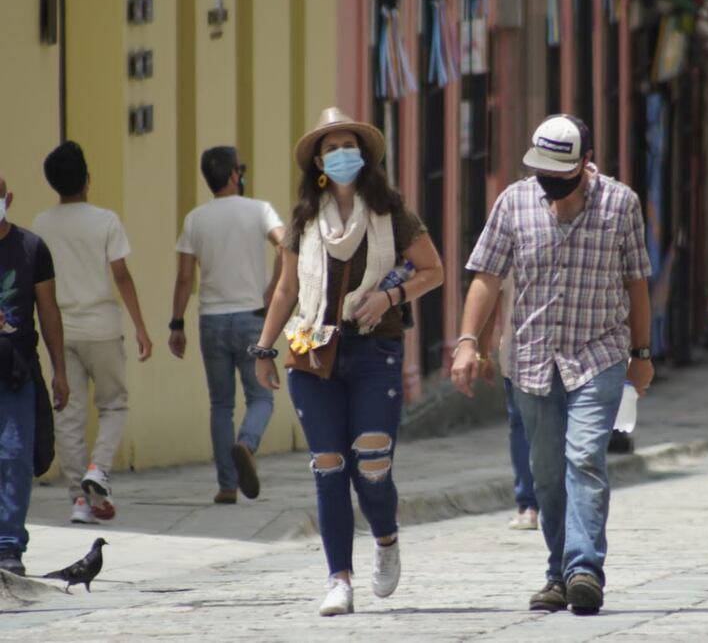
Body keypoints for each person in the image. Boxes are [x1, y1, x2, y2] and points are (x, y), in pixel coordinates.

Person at [451, 114, 654, 616]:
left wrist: (642, 355)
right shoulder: (514, 202)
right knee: (544, 474)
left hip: (599, 354)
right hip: (532, 359)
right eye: (542, 171)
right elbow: (486, 276)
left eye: (560, 174)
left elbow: (636, 282)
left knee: (584, 458)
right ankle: (559, 572)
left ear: (586, 163)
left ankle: (584, 570)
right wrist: (468, 342)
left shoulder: (621, 204)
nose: (550, 182)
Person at [251, 108, 443, 616]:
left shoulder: (391, 211)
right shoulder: (303, 219)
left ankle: (385, 537)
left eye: (348, 145)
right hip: (313, 353)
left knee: (373, 463)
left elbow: (433, 270)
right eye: (330, 148)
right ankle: (339, 579)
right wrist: (264, 349)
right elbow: (287, 290)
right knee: (329, 466)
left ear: (364, 154)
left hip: (375, 349)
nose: (340, 155)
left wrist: (391, 296)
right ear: (318, 162)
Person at [32, 142, 152, 524]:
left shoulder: (40, 224)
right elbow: (122, 277)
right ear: (87, 178)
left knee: (69, 413)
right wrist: (140, 327)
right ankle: (98, 470)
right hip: (102, 329)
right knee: (114, 404)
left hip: (60, 331)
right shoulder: (105, 221)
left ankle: (80, 501)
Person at [169, 146, 285, 504]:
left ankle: (226, 486)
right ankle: (247, 444)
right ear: (235, 174)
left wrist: (176, 324)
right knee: (261, 396)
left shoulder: (195, 219)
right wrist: (273, 290)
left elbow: (185, 278)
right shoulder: (259, 209)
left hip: (212, 321)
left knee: (221, 405)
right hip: (252, 317)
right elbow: (285, 245)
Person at [0, 173, 69, 576]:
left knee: (14, 454)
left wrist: (60, 370)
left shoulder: (31, 248)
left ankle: (9, 543)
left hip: (17, 368)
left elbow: (48, 311)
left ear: (8, 199)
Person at [477, 275, 539, 530]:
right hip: (560, 356)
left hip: (519, 354)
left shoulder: (506, 253)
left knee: (522, 427)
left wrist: (483, 353)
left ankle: (528, 506)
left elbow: (490, 301)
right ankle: (550, 502)